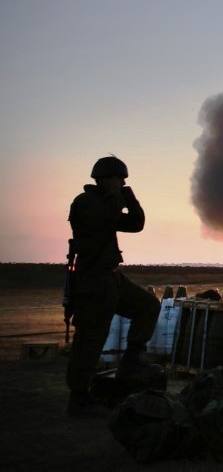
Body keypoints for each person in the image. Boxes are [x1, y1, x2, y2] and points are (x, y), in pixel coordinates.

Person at [66, 156, 162, 417]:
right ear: (104, 178)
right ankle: (79, 397)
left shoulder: (109, 202)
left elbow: (136, 224)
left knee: (148, 306)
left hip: (111, 278)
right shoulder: (86, 202)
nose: (122, 183)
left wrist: (130, 199)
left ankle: (132, 359)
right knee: (91, 338)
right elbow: (107, 217)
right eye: (119, 178)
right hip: (92, 281)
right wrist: (116, 198)